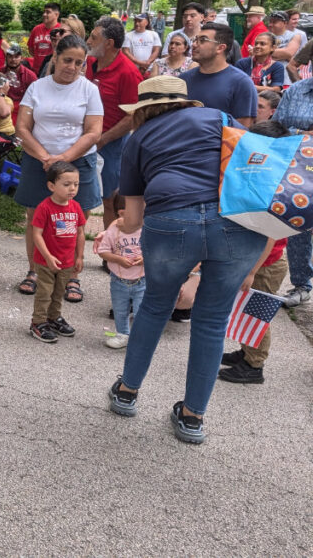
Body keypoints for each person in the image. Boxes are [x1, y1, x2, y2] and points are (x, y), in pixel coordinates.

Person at [106, 75, 266, 445]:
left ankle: (127, 393)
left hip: (171, 223)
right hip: (237, 224)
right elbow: (253, 163)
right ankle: (192, 417)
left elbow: (132, 219)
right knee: (211, 322)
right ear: (185, 102)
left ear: (143, 109)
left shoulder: (139, 138)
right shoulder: (220, 117)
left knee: (154, 307)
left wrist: (113, 227)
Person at [14, 36, 103, 298]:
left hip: (78, 161)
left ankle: (71, 275)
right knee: (35, 218)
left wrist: (62, 158)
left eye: (79, 62)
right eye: (67, 60)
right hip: (38, 159)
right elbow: (22, 128)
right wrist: (45, 157)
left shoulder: (89, 90)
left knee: (75, 220)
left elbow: (93, 132)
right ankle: (35, 270)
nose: (72, 67)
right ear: (55, 57)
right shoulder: (37, 88)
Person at [218, 120, 291, 385]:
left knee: (257, 314)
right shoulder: (270, 174)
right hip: (258, 259)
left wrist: (250, 271)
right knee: (245, 310)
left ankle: (254, 365)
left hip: (266, 263)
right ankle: (247, 351)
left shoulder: (275, 185)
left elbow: (271, 235)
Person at [87, 16, 143, 232]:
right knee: (79, 193)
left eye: (93, 37)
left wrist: (104, 139)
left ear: (109, 43)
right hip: (87, 138)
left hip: (112, 145)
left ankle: (110, 253)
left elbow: (132, 116)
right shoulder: (90, 63)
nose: (89, 41)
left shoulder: (129, 73)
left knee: (111, 198)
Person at [27, 160, 85, 343]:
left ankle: (53, 318)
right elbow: (37, 234)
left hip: (66, 261)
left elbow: (80, 232)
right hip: (45, 261)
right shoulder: (45, 207)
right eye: (66, 184)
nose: (72, 189)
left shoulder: (75, 207)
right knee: (45, 292)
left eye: (76, 184)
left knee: (59, 292)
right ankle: (38, 322)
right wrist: (47, 256)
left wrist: (80, 256)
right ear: (51, 186)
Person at [273, 76, 313, 307]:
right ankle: (302, 284)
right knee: (298, 223)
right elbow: (278, 125)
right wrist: (302, 133)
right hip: (297, 167)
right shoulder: (297, 90)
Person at [180, 23, 257, 127]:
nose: (194, 45)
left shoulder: (241, 83)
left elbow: (242, 129)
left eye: (202, 40)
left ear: (220, 48)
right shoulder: (183, 79)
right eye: (195, 40)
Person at [96, 194, 144, 349]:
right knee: (119, 310)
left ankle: (139, 338)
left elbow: (156, 250)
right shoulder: (114, 229)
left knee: (141, 312)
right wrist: (118, 259)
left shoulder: (146, 227)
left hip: (142, 280)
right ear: (121, 213)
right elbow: (103, 251)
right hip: (118, 280)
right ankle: (123, 334)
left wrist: (144, 258)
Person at [0, 44, 36, 123]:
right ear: (6, 57)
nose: (13, 60)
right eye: (10, 56)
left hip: (21, 109)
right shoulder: (0, 72)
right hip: (3, 105)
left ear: (21, 58)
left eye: (16, 57)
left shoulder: (30, 76)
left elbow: (35, 98)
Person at [26, 2, 61, 73]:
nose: (44, 14)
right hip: (36, 70)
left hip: (53, 70)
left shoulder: (61, 30)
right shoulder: (36, 29)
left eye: (48, 12)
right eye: (44, 12)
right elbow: (31, 49)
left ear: (56, 15)